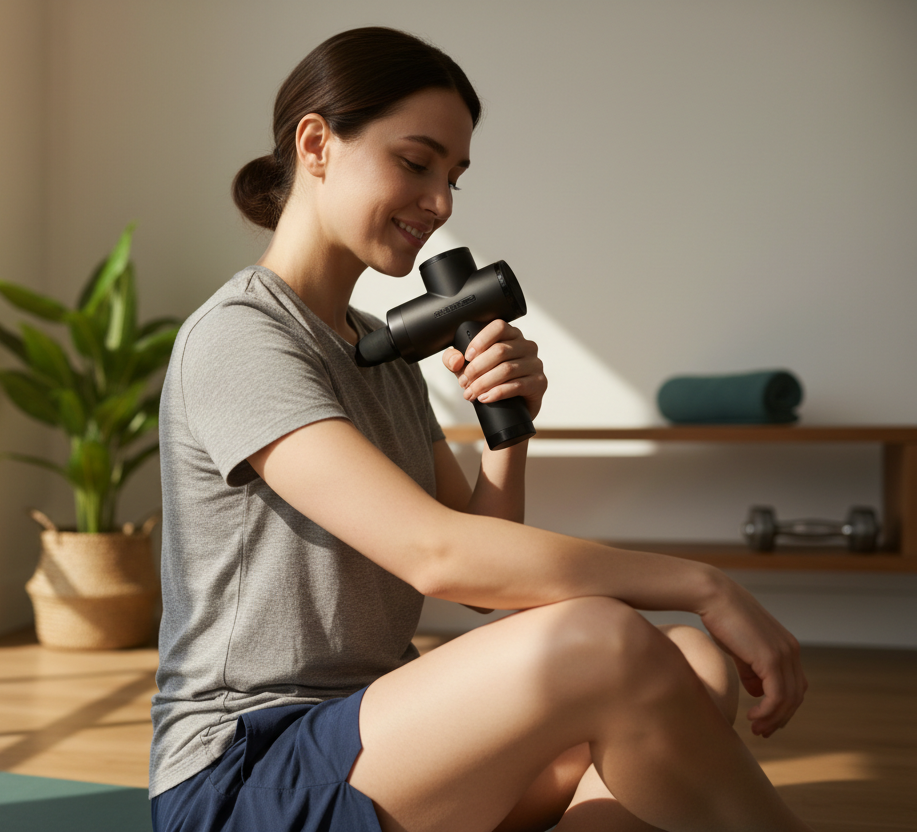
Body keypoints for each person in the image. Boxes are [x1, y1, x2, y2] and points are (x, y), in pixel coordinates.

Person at [149, 26, 812, 832]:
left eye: (454, 177)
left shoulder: (374, 351)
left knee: (690, 661)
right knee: (609, 641)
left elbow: (481, 568)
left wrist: (511, 433)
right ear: (317, 143)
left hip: (378, 741)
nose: (441, 203)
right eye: (416, 162)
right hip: (247, 775)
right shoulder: (239, 337)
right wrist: (708, 585)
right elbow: (440, 558)